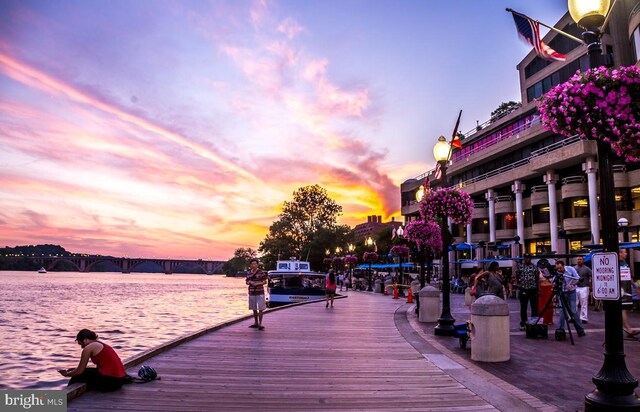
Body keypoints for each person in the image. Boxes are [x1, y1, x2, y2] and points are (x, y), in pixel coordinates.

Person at [58, 329, 128, 392]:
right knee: (84, 372)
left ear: (85, 340)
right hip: (119, 381)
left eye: (81, 343)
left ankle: (65, 395)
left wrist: (67, 374)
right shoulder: (100, 344)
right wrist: (74, 370)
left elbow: (80, 371)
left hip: (111, 382)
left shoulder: (88, 348)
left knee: (76, 376)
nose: (82, 347)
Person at [555, 260, 585, 337]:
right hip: (562, 292)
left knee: (573, 311)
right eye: (557, 268)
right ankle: (561, 330)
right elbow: (554, 283)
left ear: (563, 265)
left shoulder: (570, 269)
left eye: (560, 268)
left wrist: (572, 284)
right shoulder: (557, 273)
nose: (559, 270)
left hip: (571, 292)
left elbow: (577, 278)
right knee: (561, 311)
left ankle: (580, 330)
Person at [516, 253, 540, 330]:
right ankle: (523, 323)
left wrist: (538, 288)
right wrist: (518, 284)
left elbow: (537, 278)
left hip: (533, 289)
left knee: (534, 307)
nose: (527, 259)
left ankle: (534, 322)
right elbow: (517, 276)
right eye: (526, 258)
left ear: (530, 258)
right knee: (523, 307)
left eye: (528, 258)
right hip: (523, 289)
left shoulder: (534, 267)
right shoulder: (520, 266)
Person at [619, 249, 640, 336]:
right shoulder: (617, 262)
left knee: (625, 308)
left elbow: (629, 276)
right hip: (620, 290)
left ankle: (628, 328)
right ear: (620, 253)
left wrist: (635, 287)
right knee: (623, 309)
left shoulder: (624, 262)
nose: (626, 253)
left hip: (626, 289)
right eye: (624, 252)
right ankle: (628, 329)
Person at [246, 258, 267, 330]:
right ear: (250, 265)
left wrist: (257, 284)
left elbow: (264, 282)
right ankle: (256, 323)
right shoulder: (249, 273)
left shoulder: (261, 272)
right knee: (254, 309)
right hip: (252, 292)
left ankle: (260, 324)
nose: (253, 265)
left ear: (257, 264)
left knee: (261, 308)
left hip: (260, 292)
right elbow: (247, 282)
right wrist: (250, 283)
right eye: (252, 264)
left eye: (255, 264)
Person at [574, 256, 592, 324]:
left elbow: (592, 275)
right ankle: (574, 317)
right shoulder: (574, 268)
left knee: (583, 303)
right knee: (574, 303)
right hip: (576, 287)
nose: (579, 261)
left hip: (584, 287)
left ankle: (584, 318)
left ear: (583, 260)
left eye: (580, 259)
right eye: (578, 259)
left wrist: (591, 285)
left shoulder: (587, 269)